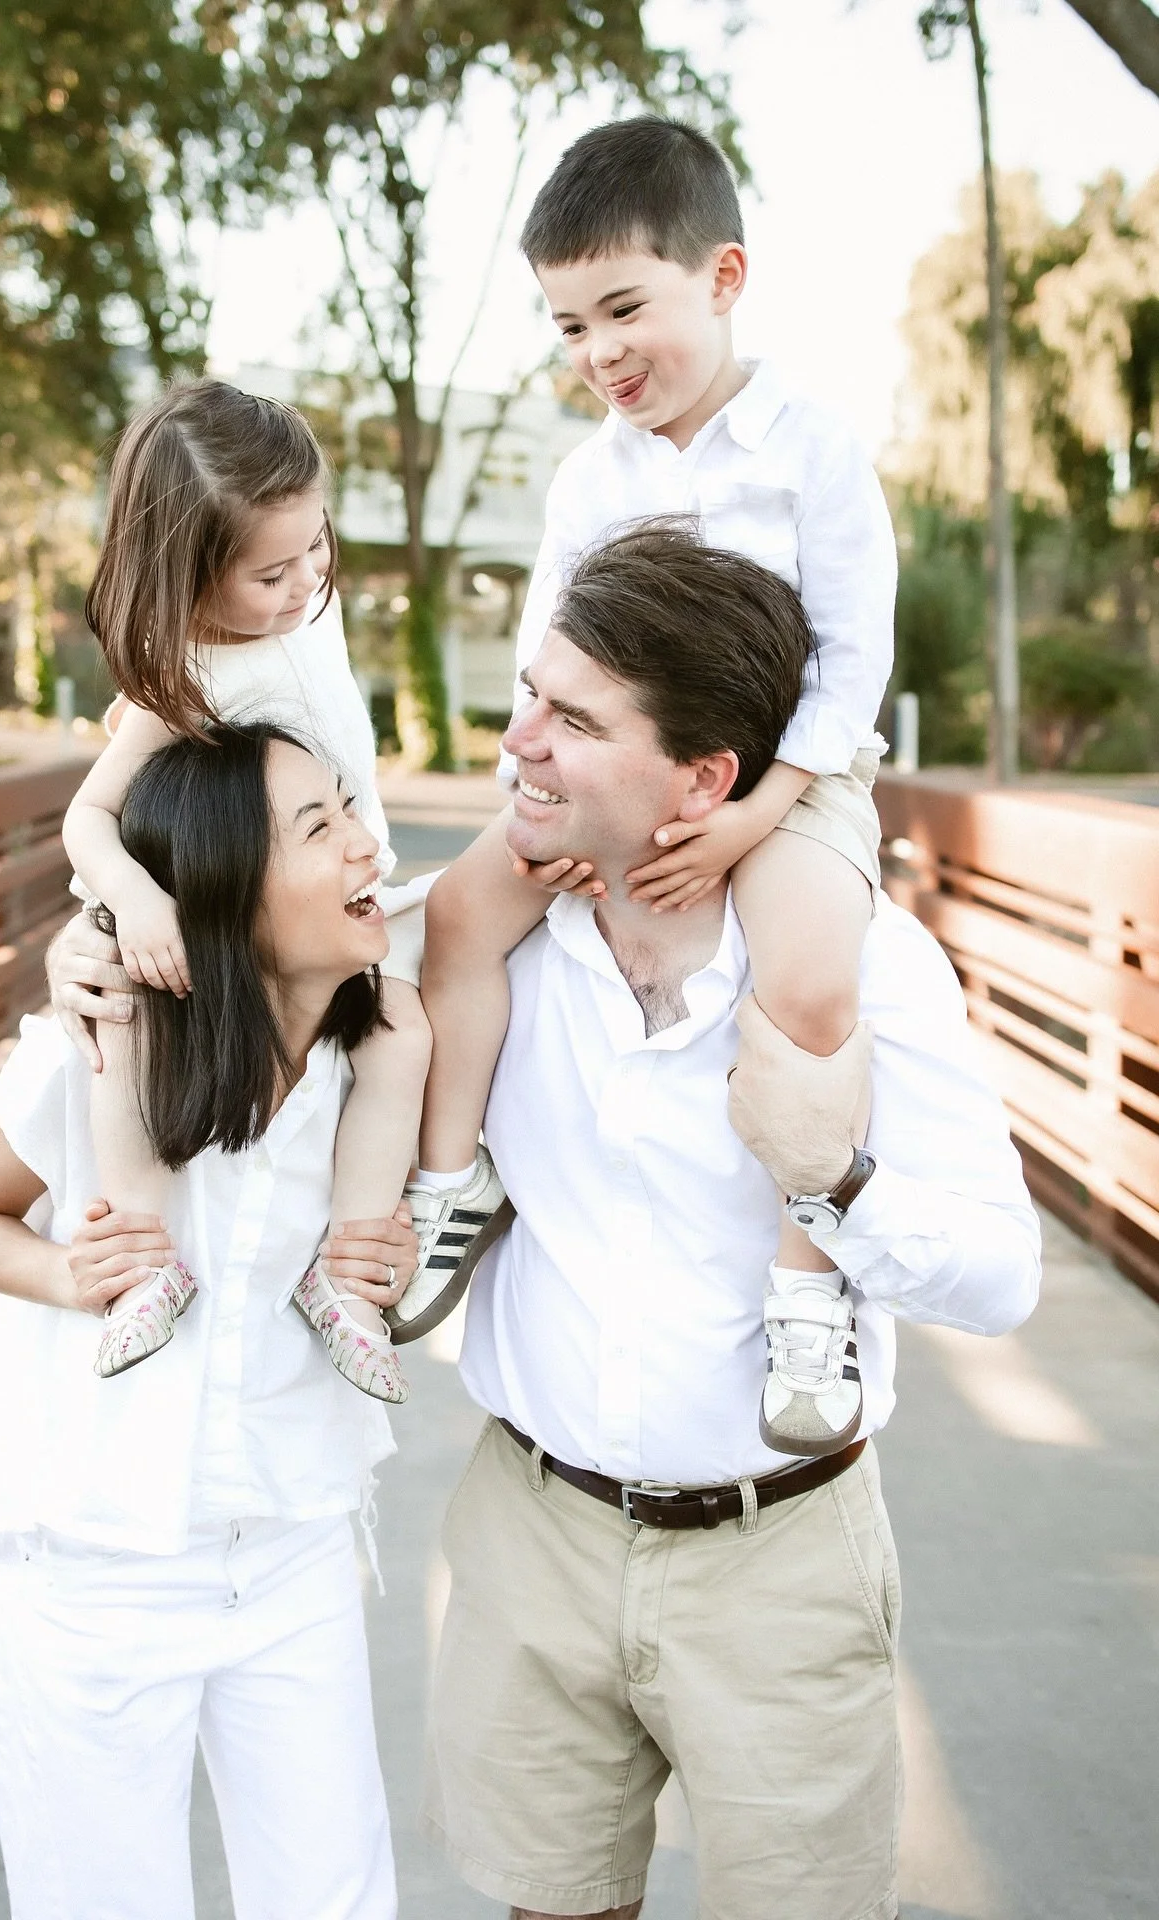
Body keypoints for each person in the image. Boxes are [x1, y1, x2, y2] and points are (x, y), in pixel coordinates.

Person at [417, 521, 1041, 1920]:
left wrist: (837, 1181)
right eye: (531, 693)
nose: (517, 739)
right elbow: (274, 974)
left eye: (571, 718)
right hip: (537, 1535)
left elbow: (1005, 1281)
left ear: (703, 779)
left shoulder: (864, 966)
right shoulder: (497, 946)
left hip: (783, 1564)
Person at [403, 117, 898, 1460]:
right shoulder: (590, 482)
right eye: (569, 326)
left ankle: (812, 1284)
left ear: (722, 278)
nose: (599, 352)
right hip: (612, 782)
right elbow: (539, 663)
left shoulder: (811, 448)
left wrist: (752, 813)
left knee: (809, 975)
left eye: (625, 307)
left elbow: (852, 661)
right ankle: (455, 1177)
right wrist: (554, 801)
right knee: (458, 916)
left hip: (789, 781)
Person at [0, 724, 417, 1920]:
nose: (368, 844)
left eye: (350, 810)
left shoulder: (381, 1063)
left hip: (292, 1552)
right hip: (100, 1573)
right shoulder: (101, 1052)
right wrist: (71, 1275)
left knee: (336, 1902)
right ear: (222, 892)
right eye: (320, 828)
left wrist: (393, 1258)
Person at [61, 376, 429, 1398]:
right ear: (188, 578)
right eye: (270, 573)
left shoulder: (313, 607)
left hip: (351, 886)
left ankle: (348, 1272)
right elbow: (87, 819)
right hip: (228, 914)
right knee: (121, 1020)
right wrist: (135, 904)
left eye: (318, 545)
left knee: (404, 1033)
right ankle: (141, 1255)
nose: (306, 580)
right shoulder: (182, 683)